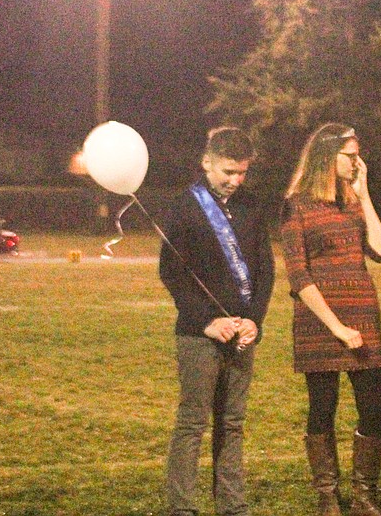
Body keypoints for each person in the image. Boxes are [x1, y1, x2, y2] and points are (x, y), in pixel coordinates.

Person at [160, 126, 274, 516]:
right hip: (198, 335)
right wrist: (207, 321)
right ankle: (182, 507)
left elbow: (265, 269)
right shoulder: (183, 206)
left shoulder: (252, 205)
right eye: (228, 171)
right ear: (206, 162)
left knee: (233, 423)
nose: (234, 181)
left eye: (241, 173)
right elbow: (172, 273)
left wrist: (254, 320)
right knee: (193, 422)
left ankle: (232, 506)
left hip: (242, 333)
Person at [280, 123, 381, 516]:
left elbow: (380, 249)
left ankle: (364, 496)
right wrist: (336, 328)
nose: (357, 162)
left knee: (374, 409)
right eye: (350, 155)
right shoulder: (297, 205)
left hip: (362, 313)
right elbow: (299, 277)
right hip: (321, 321)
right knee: (322, 409)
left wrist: (365, 194)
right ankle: (328, 495)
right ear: (327, 156)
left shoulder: (353, 200)